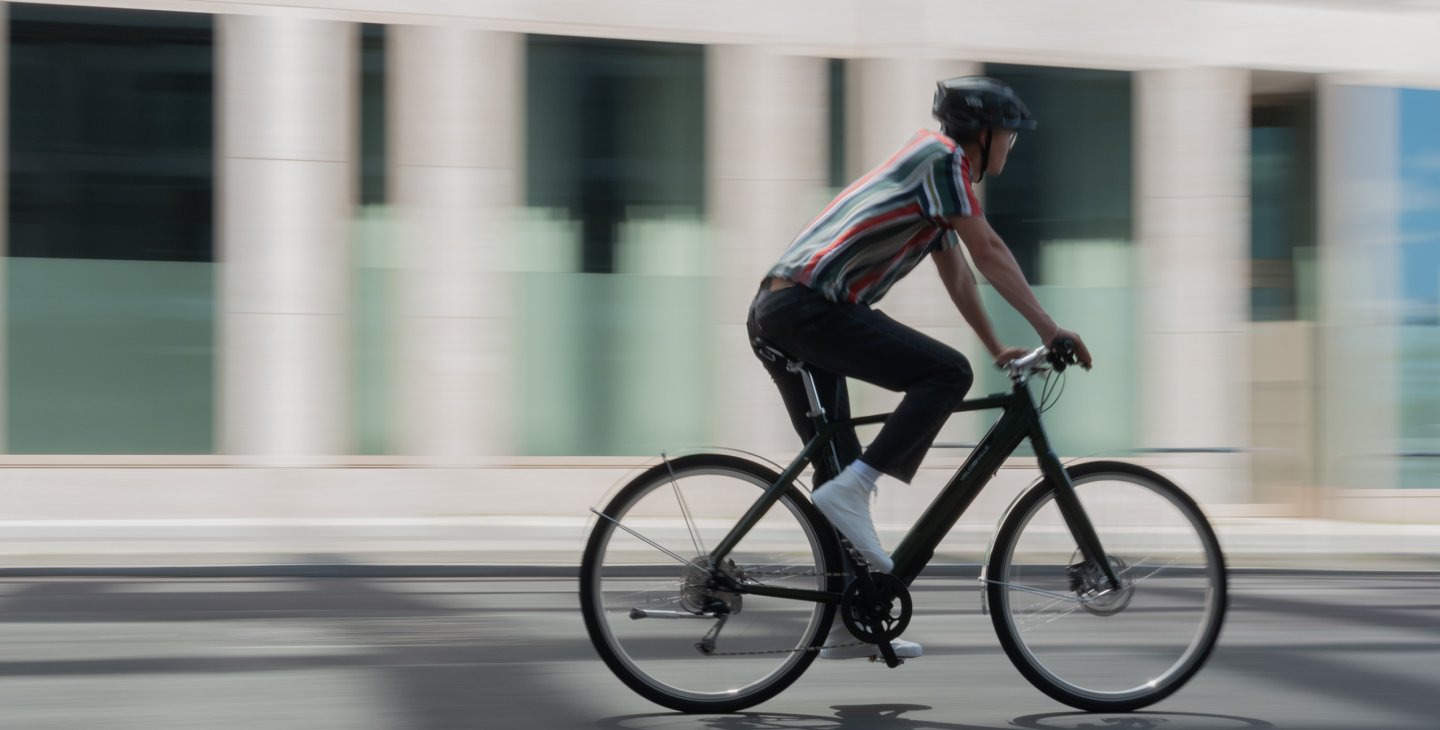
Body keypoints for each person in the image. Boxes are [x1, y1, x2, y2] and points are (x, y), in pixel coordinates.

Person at [745, 76, 1093, 660]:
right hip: (806, 307)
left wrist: (995, 345)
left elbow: (957, 272)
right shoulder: (942, 158)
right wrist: (1047, 328)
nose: (1011, 146)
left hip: (787, 311)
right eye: (1009, 135)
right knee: (943, 376)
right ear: (982, 135)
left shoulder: (931, 177)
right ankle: (853, 493)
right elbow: (989, 252)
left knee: (839, 469)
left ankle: (846, 625)